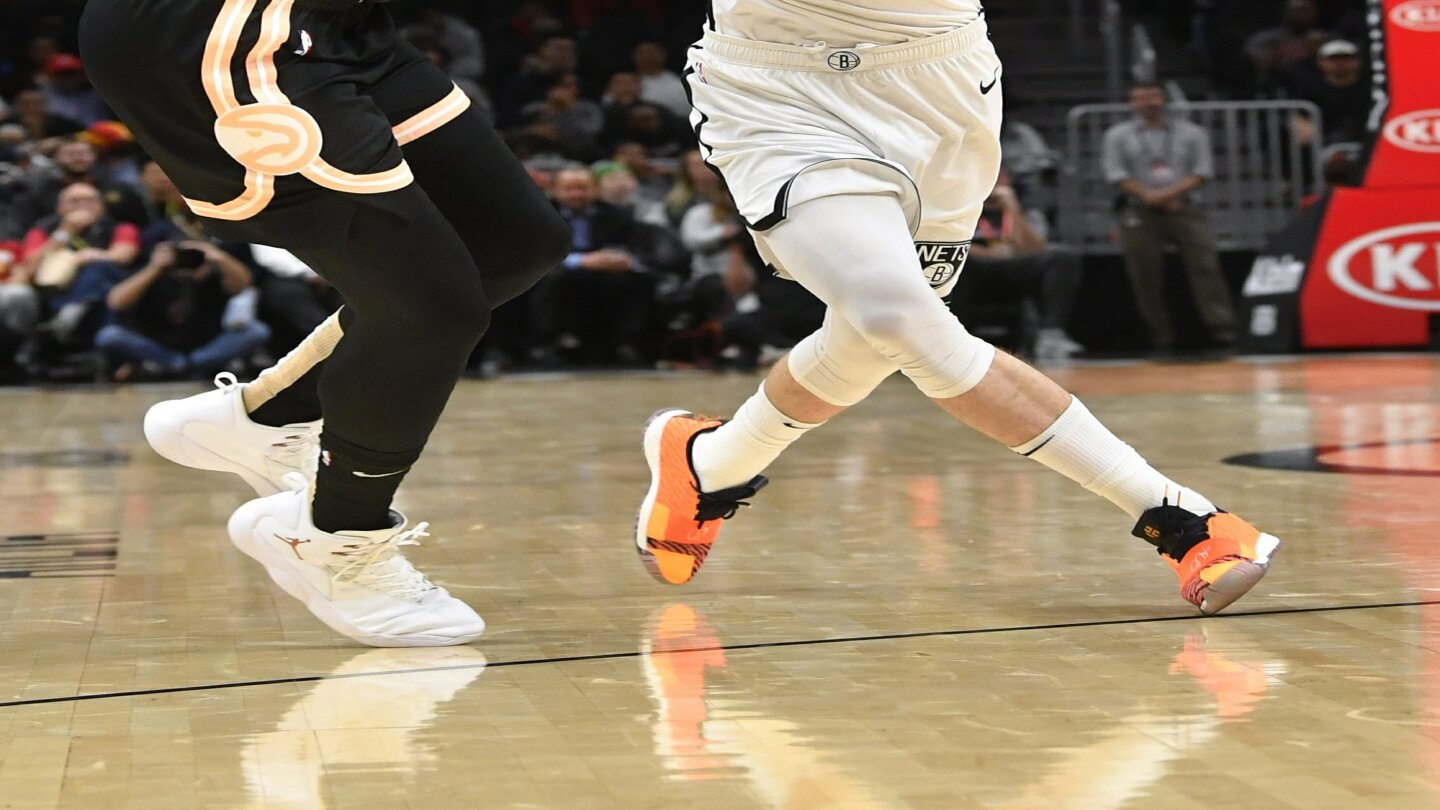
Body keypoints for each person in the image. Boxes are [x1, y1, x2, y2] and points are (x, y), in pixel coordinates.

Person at [634, 3, 1280, 616]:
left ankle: (709, 463)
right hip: (781, 84)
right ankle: (1182, 517)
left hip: (942, 78)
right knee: (893, 316)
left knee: (867, 338)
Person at [78, 0, 570, 647]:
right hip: (229, 29)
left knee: (511, 243)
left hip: (339, 21)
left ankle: (267, 418)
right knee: (431, 306)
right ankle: (334, 536)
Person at [1103, 82, 1238, 354]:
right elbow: (1116, 174)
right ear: (1131, 103)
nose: (1147, 102)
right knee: (1145, 273)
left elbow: (1202, 171)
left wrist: (1168, 195)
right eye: (1139, 98)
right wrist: (1149, 196)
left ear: (1164, 99)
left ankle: (1223, 330)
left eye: (1152, 96)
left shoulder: (1192, 133)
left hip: (1184, 206)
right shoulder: (1117, 135)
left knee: (1205, 265)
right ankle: (1159, 335)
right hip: (1138, 207)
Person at [950, 172, 1084, 361]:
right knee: (957, 265)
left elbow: (1032, 249)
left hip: (1015, 269)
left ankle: (1051, 337)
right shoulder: (960, 208)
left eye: (999, 180)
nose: (993, 185)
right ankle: (954, 340)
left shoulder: (1026, 209)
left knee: (1062, 256)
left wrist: (1012, 207)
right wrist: (990, 254)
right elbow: (951, 245)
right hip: (975, 271)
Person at [96, 239, 270, 380]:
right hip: (158, 346)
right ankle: (177, 364)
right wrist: (154, 267)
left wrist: (219, 257)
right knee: (110, 335)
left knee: (256, 331)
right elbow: (116, 301)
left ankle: (188, 364)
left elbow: (244, 284)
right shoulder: (152, 274)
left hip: (206, 347)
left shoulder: (212, 275)